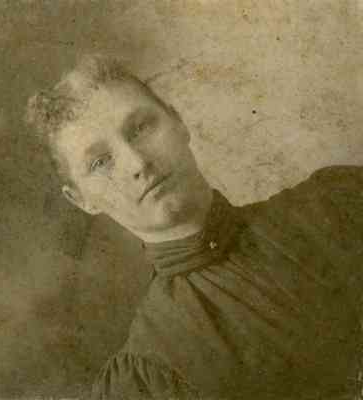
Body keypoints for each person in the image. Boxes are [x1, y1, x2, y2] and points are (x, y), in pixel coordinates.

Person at [25, 53, 363, 400]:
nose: (137, 162)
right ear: (82, 200)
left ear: (178, 121)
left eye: (140, 128)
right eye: (100, 162)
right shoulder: (148, 373)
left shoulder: (335, 206)